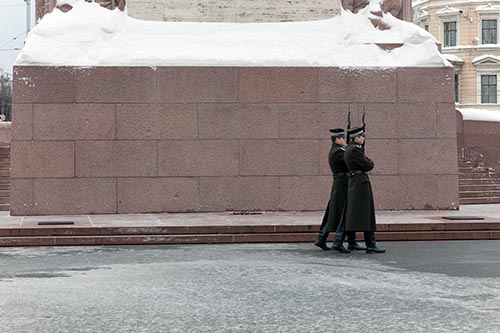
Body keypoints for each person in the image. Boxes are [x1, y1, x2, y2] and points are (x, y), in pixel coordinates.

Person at [314, 128, 365, 253]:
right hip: (341, 185)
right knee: (340, 213)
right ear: (337, 139)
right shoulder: (338, 152)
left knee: (341, 212)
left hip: (343, 184)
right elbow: (350, 163)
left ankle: (350, 241)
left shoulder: (340, 150)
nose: (345, 140)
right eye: (343, 138)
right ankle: (329, 240)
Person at [342, 127, 385, 253]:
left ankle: (352, 242)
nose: (363, 138)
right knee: (367, 214)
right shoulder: (355, 150)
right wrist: (369, 161)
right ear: (356, 137)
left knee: (355, 214)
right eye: (361, 136)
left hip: (355, 182)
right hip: (360, 183)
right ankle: (370, 244)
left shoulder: (349, 149)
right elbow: (369, 165)